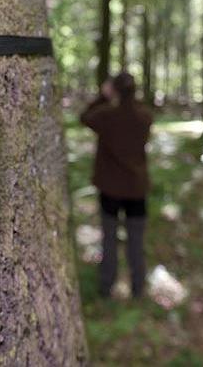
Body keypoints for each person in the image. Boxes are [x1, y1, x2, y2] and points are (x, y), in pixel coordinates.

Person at [80, 72, 153, 298]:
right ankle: (138, 288)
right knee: (136, 240)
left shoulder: (106, 115)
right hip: (136, 188)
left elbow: (84, 117)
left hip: (111, 189)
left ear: (115, 90)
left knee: (109, 239)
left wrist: (103, 96)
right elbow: (136, 109)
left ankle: (106, 286)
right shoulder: (144, 116)